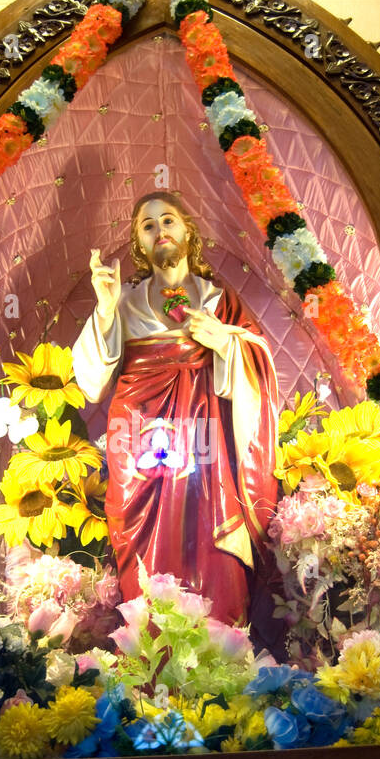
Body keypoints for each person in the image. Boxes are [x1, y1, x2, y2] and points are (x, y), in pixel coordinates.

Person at [71, 190, 279, 625]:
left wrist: (224, 341)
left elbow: (259, 365)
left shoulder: (218, 301)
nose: (160, 231)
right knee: (145, 571)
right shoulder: (123, 302)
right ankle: (148, 668)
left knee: (214, 555)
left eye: (168, 221)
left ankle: (224, 671)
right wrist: (106, 310)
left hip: (208, 456)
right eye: (148, 226)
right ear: (139, 245)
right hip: (139, 451)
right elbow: (92, 383)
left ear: (187, 231)